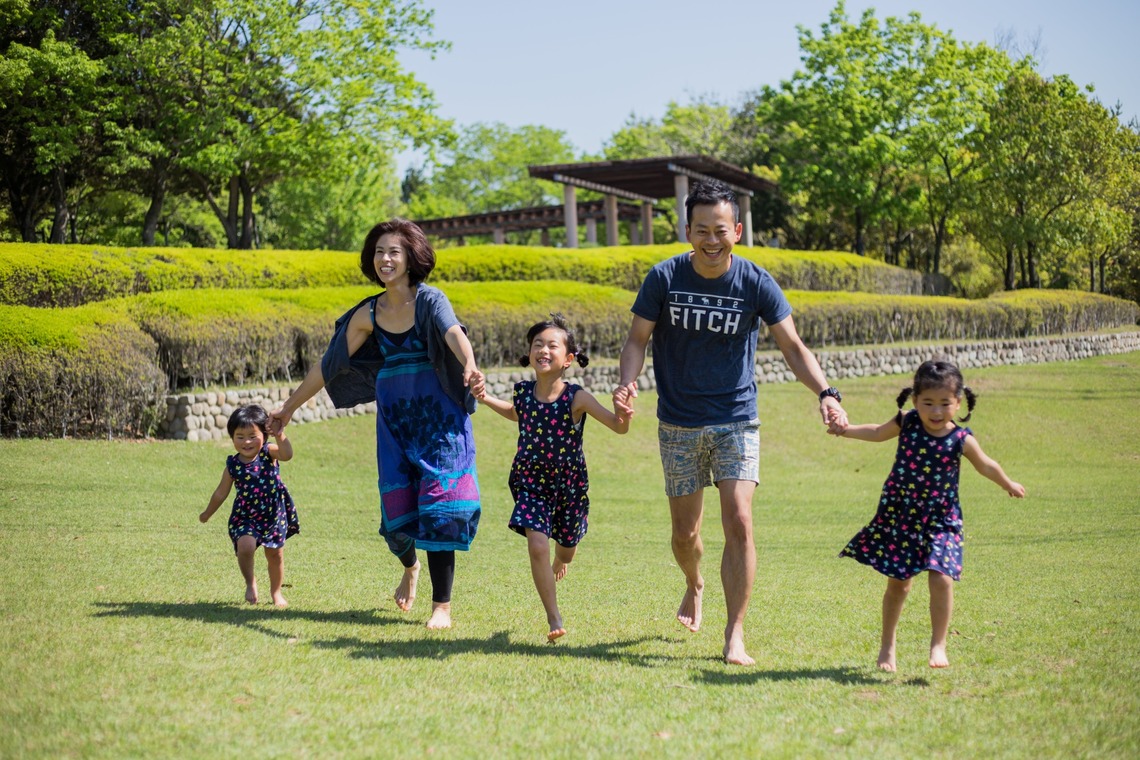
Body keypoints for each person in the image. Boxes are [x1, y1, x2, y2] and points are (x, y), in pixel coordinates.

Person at [612, 178, 848, 666]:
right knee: (685, 535)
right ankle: (694, 582)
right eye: (702, 230)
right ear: (687, 230)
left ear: (736, 231)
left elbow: (793, 347)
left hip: (736, 418)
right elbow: (637, 339)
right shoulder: (664, 277)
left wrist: (826, 393)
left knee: (740, 520)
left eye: (720, 230)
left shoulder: (756, 282)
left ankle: (734, 633)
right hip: (678, 422)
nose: (711, 240)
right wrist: (628, 381)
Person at [269, 218, 484, 630]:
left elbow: (454, 334)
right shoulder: (368, 313)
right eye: (379, 252)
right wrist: (290, 407)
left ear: (411, 258)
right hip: (395, 423)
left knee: (442, 508)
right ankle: (409, 567)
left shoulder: (429, 300)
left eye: (394, 252)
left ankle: (442, 606)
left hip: (440, 422)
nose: (385, 259)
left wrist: (470, 365)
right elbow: (329, 365)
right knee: (397, 519)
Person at [833, 359, 1025, 671]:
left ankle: (938, 644)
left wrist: (1008, 483)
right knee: (899, 584)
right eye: (928, 403)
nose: (936, 412)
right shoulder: (907, 422)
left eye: (945, 403)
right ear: (914, 401)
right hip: (901, 515)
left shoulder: (961, 439)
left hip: (942, 519)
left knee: (942, 577)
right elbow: (878, 431)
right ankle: (887, 647)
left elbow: (986, 464)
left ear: (958, 402)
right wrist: (846, 430)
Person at [475, 314, 630, 642]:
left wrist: (624, 415)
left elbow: (617, 426)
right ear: (530, 353)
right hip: (531, 482)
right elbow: (516, 414)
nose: (543, 350)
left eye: (552, 345)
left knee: (566, 548)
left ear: (568, 359)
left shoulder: (577, 398)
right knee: (537, 546)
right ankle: (553, 615)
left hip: (569, 488)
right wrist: (486, 398)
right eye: (537, 345)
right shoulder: (523, 392)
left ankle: (564, 556)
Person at [200, 404, 299, 608]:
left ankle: (276, 592)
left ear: (263, 434)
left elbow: (287, 454)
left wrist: (280, 435)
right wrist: (207, 514)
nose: (246, 441)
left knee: (275, 555)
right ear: (232, 437)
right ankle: (250, 582)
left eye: (252, 436)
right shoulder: (233, 465)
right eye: (240, 436)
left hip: (273, 514)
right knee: (245, 547)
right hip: (246, 515)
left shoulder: (268, 452)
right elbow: (221, 493)